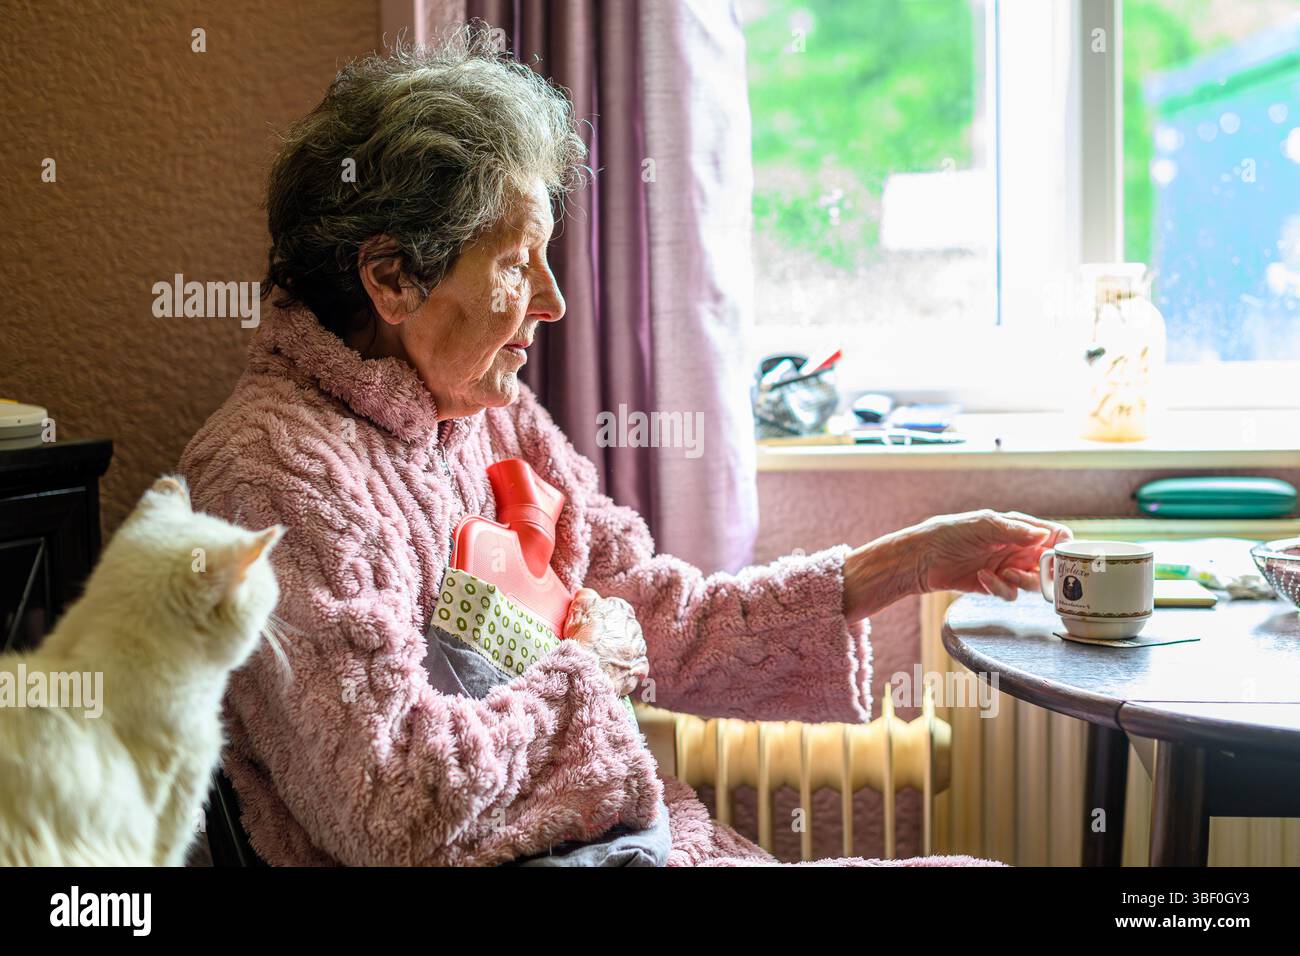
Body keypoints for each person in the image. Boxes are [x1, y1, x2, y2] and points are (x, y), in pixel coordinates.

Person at [180, 30, 1070, 866]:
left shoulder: (492, 414)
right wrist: (592, 672)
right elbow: (389, 798)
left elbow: (652, 615)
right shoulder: (272, 475)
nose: (554, 301)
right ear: (391, 278)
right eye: (518, 261)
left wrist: (903, 565)